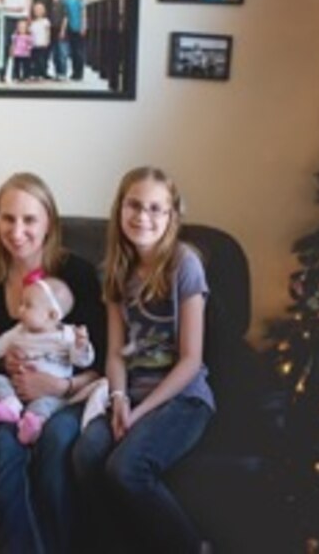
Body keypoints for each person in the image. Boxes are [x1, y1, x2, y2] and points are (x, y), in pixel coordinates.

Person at [71, 166, 215, 554]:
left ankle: (192, 547)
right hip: (131, 393)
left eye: (155, 209)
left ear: (171, 217)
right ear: (120, 208)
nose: (142, 217)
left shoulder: (185, 264)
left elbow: (191, 359)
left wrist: (139, 413)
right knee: (85, 454)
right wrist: (119, 399)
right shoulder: (113, 270)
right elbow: (116, 353)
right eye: (134, 205)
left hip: (182, 398)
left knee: (126, 468)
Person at [0, 172, 106, 554]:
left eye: (29, 219)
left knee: (54, 443)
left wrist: (60, 386)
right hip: (12, 397)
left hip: (70, 393)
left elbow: (102, 359)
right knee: (5, 451)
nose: (17, 231)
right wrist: (4, 367)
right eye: (7, 218)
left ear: (49, 223)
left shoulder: (76, 275)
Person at [0, 276, 94, 445]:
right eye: (21, 303)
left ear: (51, 315)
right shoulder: (19, 331)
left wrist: (81, 346)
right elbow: (0, 345)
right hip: (17, 388)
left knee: (44, 406)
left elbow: (82, 362)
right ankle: (9, 405)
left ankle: (33, 424)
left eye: (28, 305)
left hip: (50, 394)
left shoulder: (67, 335)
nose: (20, 309)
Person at [0, 0, 32, 82]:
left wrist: (28, 13)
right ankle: (2, 72)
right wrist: (5, 8)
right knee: (6, 44)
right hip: (8, 14)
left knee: (21, 45)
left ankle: (16, 73)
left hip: (21, 15)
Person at [63, 0, 87, 81]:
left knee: (78, 50)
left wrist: (84, 25)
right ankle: (74, 72)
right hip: (69, 27)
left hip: (78, 26)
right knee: (72, 50)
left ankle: (79, 73)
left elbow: (83, 12)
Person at [48, 0, 69, 80]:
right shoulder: (50, 4)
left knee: (62, 52)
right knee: (55, 54)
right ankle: (57, 72)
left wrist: (63, 30)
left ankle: (63, 73)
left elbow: (65, 17)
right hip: (52, 30)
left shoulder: (63, 3)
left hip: (61, 30)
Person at [29, 2, 51, 80]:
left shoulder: (46, 21)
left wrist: (47, 40)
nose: (38, 11)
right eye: (36, 10)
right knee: (35, 59)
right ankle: (36, 73)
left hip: (42, 43)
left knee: (43, 59)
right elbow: (30, 32)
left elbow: (47, 32)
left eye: (40, 10)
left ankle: (44, 72)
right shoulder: (32, 22)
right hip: (34, 44)